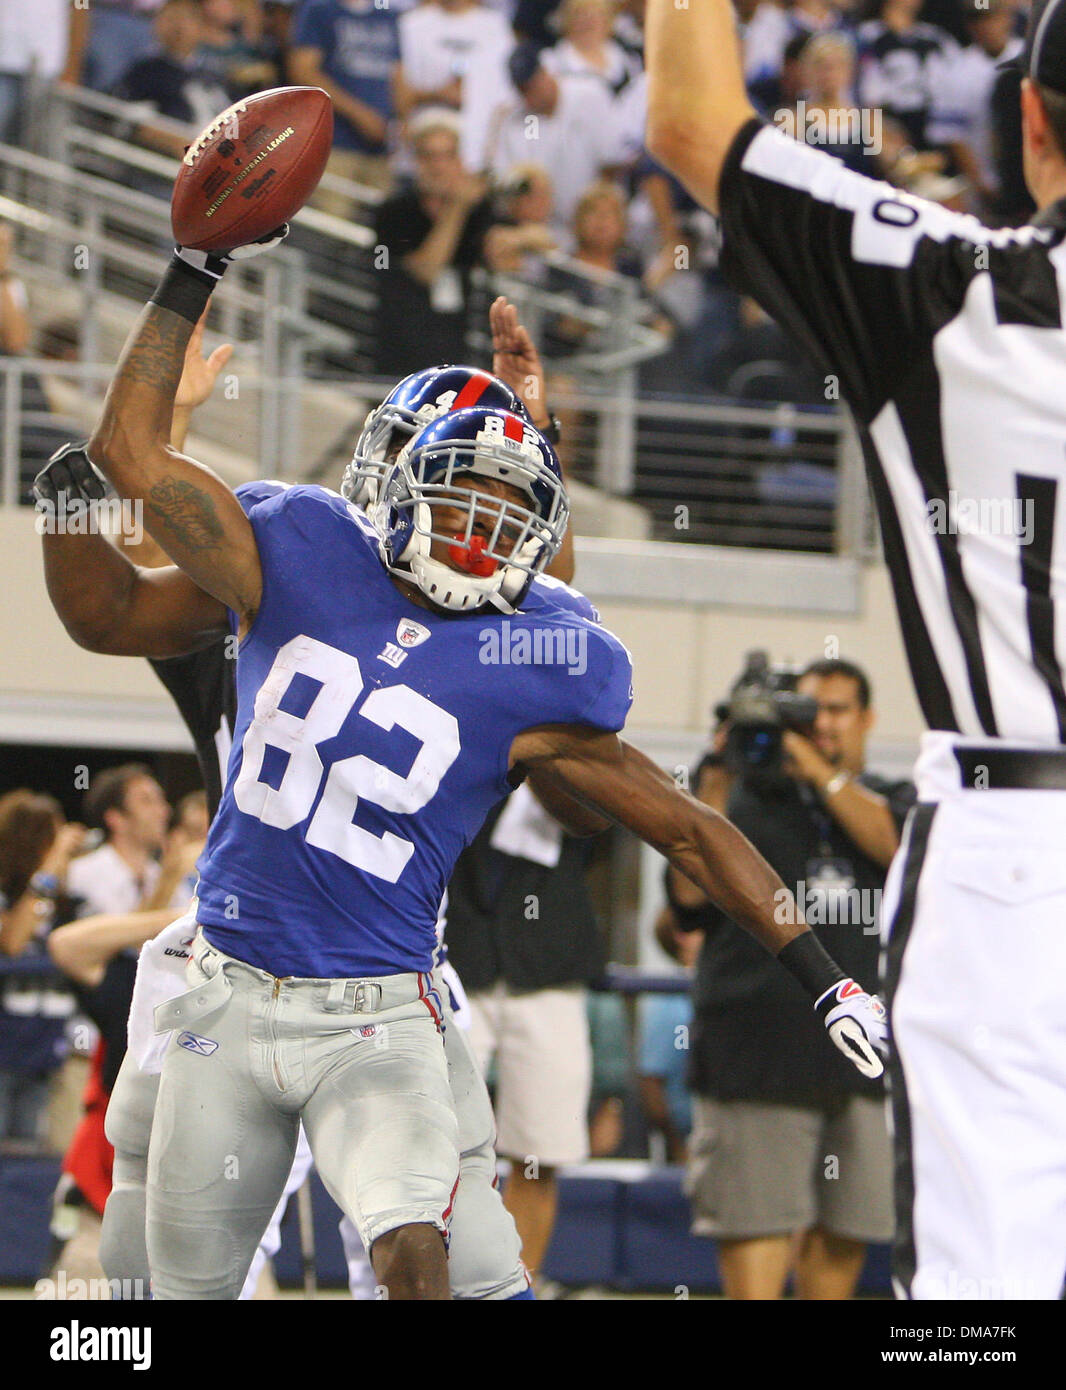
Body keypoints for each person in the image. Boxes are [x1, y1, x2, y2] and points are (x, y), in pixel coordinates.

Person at [72, 219, 884, 1300]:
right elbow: (126, 465)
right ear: (394, 477)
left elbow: (687, 824)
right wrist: (194, 262)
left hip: (376, 1001)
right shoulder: (302, 547)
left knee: (420, 1251)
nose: (482, 527)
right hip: (225, 979)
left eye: (510, 506)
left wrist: (821, 975)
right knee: (177, 1288)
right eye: (463, 492)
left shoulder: (529, 655)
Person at [646, 0, 1066, 1302]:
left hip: (1014, 847)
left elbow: (689, 118)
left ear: (1035, 125)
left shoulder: (951, 286)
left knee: (987, 1287)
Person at [37, 306, 568, 1300]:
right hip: (227, 961)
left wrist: (534, 439)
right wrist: (164, 439)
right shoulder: (276, 589)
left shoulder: (461, 636)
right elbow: (173, 562)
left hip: (383, 972)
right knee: (163, 1264)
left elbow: (532, 614)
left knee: (424, 1247)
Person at [668, 658, 912, 1300]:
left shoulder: (891, 800)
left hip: (865, 1062)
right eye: (808, 711)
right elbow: (686, 905)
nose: (822, 725)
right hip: (755, 1054)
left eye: (836, 711)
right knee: (756, 1229)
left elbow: (896, 849)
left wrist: (819, 773)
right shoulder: (740, 801)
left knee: (849, 1229)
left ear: (867, 721)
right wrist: (711, 787)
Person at [373, 113, 497, 376]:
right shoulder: (394, 211)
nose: (438, 166)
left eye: (447, 156)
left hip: (469, 346)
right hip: (406, 348)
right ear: (416, 161)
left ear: (460, 161)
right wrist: (457, 207)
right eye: (428, 156)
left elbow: (507, 253)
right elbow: (426, 270)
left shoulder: (481, 210)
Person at [0, 792, 83, 1148]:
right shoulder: (10, 893)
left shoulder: (63, 899)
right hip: (4, 1051)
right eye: (53, 838)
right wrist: (49, 867)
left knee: (26, 1166)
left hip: (43, 1050)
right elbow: (14, 943)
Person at [485, 41, 631, 234]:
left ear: (545, 72)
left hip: (591, 224)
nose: (530, 94)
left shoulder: (589, 94)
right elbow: (509, 179)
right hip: (543, 228)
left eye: (533, 84)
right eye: (523, 89)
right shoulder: (519, 120)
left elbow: (612, 163)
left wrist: (595, 216)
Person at [289, 0, 400, 203]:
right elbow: (303, 70)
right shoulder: (320, 9)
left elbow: (399, 75)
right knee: (334, 225)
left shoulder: (388, 14)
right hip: (334, 142)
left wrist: (401, 120)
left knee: (382, 224)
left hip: (382, 146)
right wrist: (360, 115)